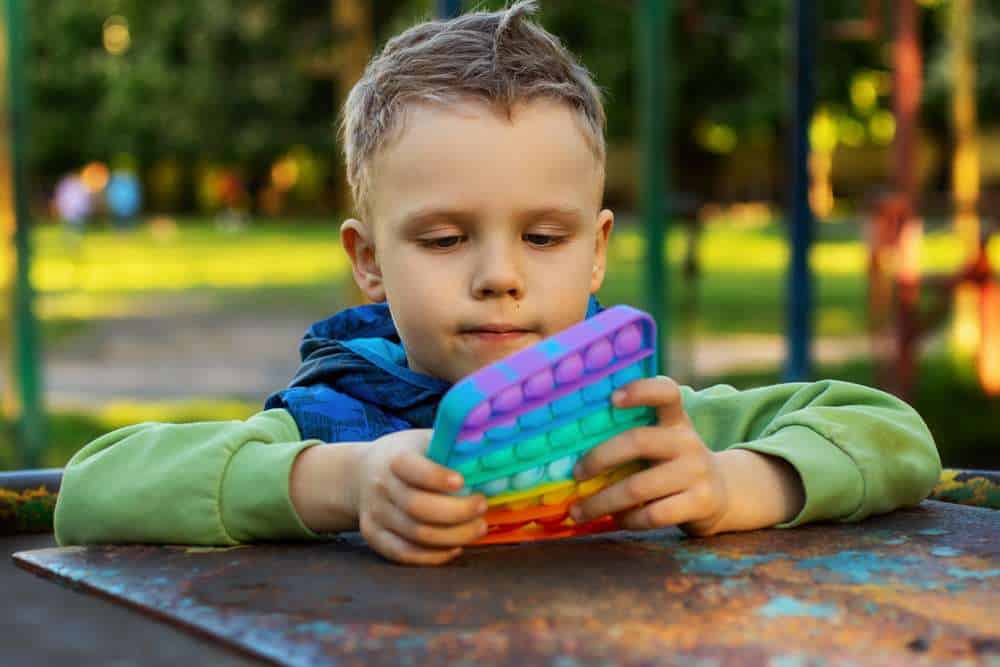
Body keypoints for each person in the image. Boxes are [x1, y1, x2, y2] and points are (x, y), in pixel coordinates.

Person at [54, 1, 941, 566]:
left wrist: (732, 483)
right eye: (444, 238)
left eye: (543, 236)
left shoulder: (636, 421)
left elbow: (893, 433)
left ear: (596, 252)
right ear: (368, 260)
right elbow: (94, 488)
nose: (500, 277)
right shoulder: (333, 418)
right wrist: (344, 482)